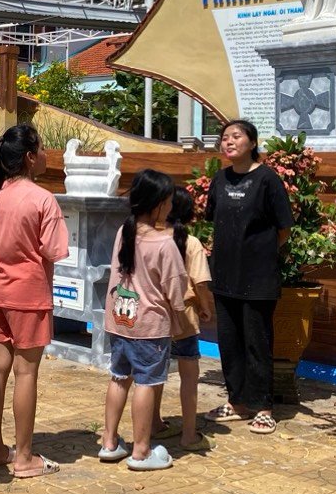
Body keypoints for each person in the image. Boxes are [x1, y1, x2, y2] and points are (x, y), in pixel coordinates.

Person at [0, 124, 68, 478]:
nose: (45, 155)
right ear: (29, 157)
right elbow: (54, 250)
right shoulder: (43, 199)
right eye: (41, 149)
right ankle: (24, 457)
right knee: (26, 372)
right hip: (29, 295)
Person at [202, 119, 294, 435]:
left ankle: (264, 407)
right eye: (224, 137)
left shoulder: (268, 180)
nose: (228, 141)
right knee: (229, 342)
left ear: (252, 143)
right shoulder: (220, 179)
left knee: (257, 342)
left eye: (236, 136)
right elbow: (213, 221)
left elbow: (283, 228)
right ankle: (237, 402)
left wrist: (260, 254)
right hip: (224, 275)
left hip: (258, 277)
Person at [99, 168, 187, 472]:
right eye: (169, 201)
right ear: (159, 204)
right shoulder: (164, 244)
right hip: (150, 327)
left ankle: (109, 442)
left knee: (119, 377)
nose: (172, 206)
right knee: (147, 383)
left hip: (119, 321)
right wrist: (182, 315)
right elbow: (176, 289)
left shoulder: (124, 232)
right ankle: (141, 451)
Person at [151, 189, 215, 451]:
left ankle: (154, 424)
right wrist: (206, 307)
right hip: (185, 316)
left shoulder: (150, 238)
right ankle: (189, 434)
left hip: (154, 315)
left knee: (154, 374)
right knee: (189, 376)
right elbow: (200, 283)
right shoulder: (191, 243)